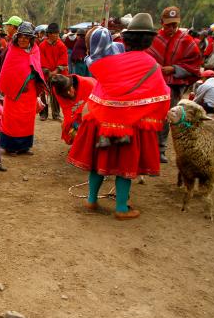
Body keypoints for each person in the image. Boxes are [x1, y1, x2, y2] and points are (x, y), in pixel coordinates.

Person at [68, 14, 171, 220]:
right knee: (125, 165)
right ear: (150, 40)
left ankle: (91, 199)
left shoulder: (110, 61)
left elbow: (100, 89)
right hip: (129, 126)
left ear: (125, 39)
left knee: (99, 162)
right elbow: (161, 97)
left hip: (102, 121)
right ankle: (122, 208)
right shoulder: (150, 65)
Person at [146, 6, 203, 163]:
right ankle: (147, 148)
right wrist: (154, 67)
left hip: (174, 86)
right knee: (150, 115)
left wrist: (174, 69)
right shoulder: (154, 39)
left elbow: (194, 64)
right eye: (168, 24)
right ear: (161, 22)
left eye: (174, 25)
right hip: (154, 85)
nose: (171, 28)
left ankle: (160, 148)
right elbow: (145, 58)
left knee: (167, 116)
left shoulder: (186, 40)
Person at [0, 22, 47, 156]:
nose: (23, 39)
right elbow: (7, 72)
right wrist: (18, 84)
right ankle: (10, 147)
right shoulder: (12, 50)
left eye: (26, 36)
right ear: (17, 37)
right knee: (12, 120)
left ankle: (25, 146)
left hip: (29, 92)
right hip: (15, 92)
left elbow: (37, 68)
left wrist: (35, 80)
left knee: (27, 119)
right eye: (21, 36)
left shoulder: (35, 50)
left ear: (31, 38)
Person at [50, 73, 96, 145]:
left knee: (89, 126)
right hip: (79, 110)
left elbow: (94, 109)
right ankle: (78, 145)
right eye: (66, 93)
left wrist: (82, 125)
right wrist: (76, 126)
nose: (70, 92)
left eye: (69, 89)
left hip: (93, 108)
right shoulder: (57, 91)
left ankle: (88, 146)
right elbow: (67, 112)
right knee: (66, 127)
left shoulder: (88, 85)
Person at [39, 22, 68, 121]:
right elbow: (41, 59)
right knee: (43, 93)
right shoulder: (42, 46)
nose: (56, 35)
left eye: (57, 33)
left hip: (58, 73)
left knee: (56, 93)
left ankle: (56, 114)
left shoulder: (62, 46)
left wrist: (56, 71)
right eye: (54, 33)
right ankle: (43, 113)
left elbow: (63, 60)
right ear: (49, 34)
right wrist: (48, 71)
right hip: (45, 73)